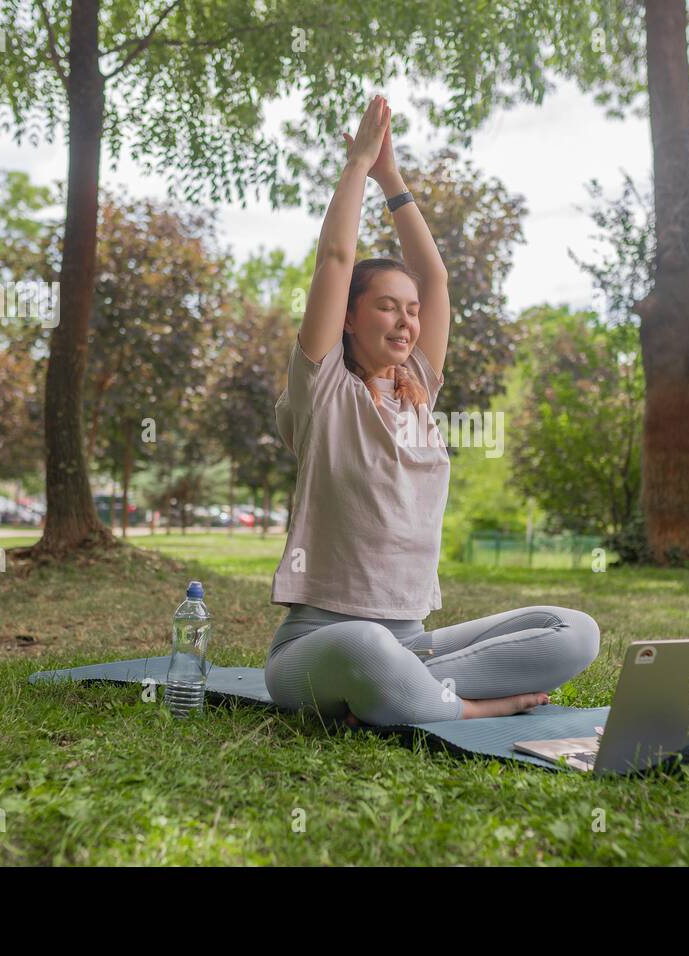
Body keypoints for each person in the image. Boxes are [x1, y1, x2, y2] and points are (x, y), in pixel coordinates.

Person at [264, 94, 600, 728]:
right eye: (387, 306)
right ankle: (465, 706)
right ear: (348, 316)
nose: (407, 319)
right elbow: (335, 260)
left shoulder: (417, 388)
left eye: (411, 310)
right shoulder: (323, 390)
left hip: (412, 642)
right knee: (365, 645)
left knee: (573, 631)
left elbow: (437, 279)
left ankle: (398, 693)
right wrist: (361, 165)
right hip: (319, 645)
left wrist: (395, 180)